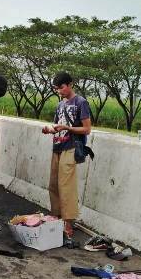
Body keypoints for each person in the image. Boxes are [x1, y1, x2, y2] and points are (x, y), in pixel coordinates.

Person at [42, 72, 91, 240]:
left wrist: (67, 128)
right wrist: (50, 129)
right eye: (57, 89)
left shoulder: (81, 102)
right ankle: (56, 218)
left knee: (66, 186)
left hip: (71, 147)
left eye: (61, 87)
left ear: (70, 84)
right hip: (57, 146)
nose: (60, 91)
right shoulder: (60, 104)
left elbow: (87, 129)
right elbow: (58, 125)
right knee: (53, 184)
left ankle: (68, 223)